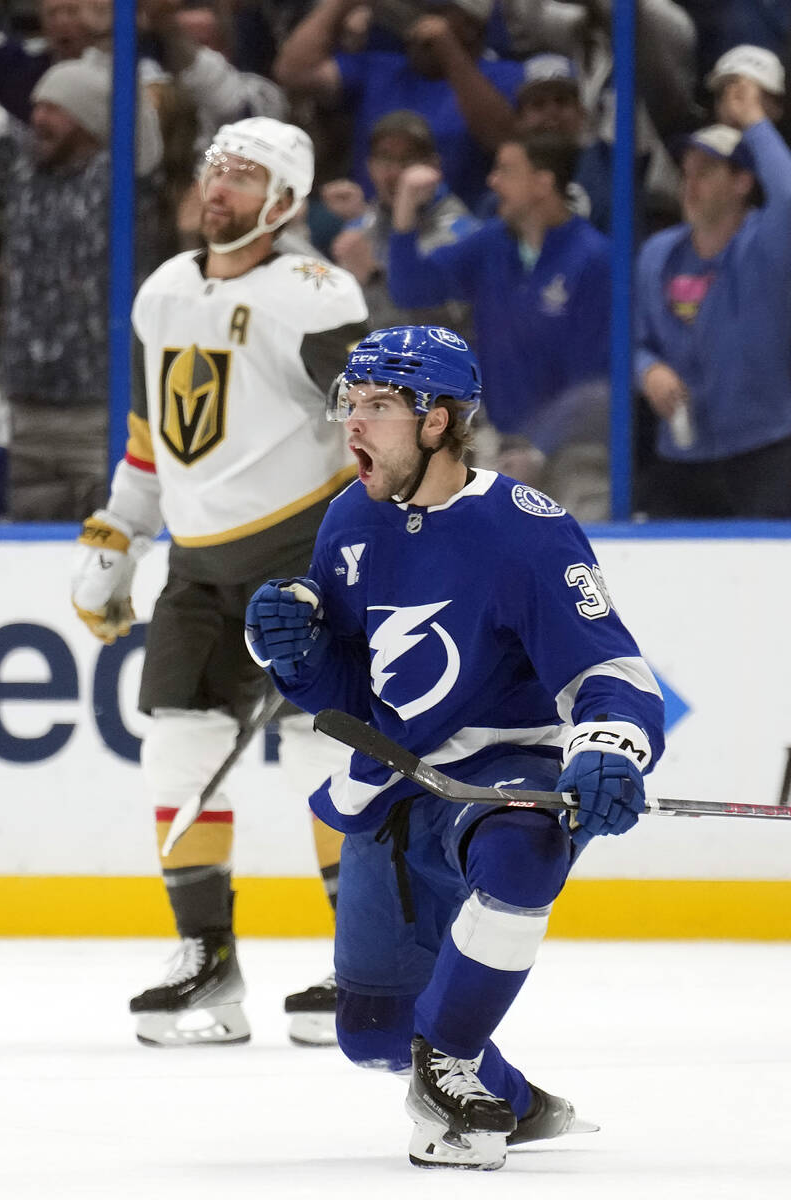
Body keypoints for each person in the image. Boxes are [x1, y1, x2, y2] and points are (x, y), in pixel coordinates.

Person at [244, 324, 665, 1170]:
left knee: (528, 848)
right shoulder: (350, 518)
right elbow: (353, 698)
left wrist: (612, 746)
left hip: (503, 769)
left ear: (438, 421)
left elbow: (610, 670)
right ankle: (502, 1090)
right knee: (370, 1036)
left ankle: (447, 1067)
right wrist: (297, 653)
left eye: (378, 407)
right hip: (393, 785)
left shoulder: (524, 531)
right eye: (350, 404)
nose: (353, 425)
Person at [70, 116, 369, 1047]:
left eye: (243, 176)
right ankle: (208, 960)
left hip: (304, 553)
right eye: (215, 170)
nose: (219, 188)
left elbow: (379, 426)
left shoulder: (316, 295)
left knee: (333, 751)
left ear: (285, 201)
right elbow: (151, 434)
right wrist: (118, 536)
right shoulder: (162, 293)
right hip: (196, 562)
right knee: (177, 743)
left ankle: (364, 966)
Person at [386, 132, 612, 520]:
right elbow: (411, 289)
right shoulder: (493, 244)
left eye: (506, 171)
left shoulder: (594, 260)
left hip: (576, 454)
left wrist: (538, 448)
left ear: (543, 183)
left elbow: (594, 384)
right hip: (504, 447)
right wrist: (405, 209)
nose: (492, 182)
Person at [0, 60, 162, 521]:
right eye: (37, 108)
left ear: (89, 118)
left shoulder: (120, 181)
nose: (39, 118)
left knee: (105, 539)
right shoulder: (23, 172)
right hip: (25, 409)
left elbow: (146, 145)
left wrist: (115, 56)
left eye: (55, 109)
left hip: (98, 414)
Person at [634, 76, 791, 518]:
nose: (690, 184)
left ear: (742, 182)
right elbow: (631, 340)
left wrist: (755, 121)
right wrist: (648, 371)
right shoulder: (658, 254)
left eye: (706, 172)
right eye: (686, 172)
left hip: (764, 452)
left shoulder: (767, 244)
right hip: (680, 459)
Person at [273, 0, 527, 212]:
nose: (418, 24)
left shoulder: (504, 76)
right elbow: (293, 71)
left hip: (454, 228)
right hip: (368, 221)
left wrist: (449, 51)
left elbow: (501, 138)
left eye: (434, 14)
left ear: (470, 26)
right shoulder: (382, 68)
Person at [328, 108, 477, 335]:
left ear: (434, 167)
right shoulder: (361, 225)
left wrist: (374, 279)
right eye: (386, 159)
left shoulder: (460, 232)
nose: (396, 172)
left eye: (408, 160)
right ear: (370, 167)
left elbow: (438, 329)